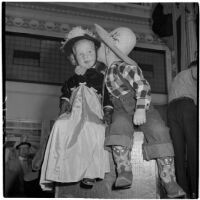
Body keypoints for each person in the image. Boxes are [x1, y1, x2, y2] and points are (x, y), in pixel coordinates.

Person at [94, 24, 185, 198]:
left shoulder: (123, 67)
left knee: (159, 130)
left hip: (142, 106)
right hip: (120, 108)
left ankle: (169, 181)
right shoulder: (106, 71)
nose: (98, 46)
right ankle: (124, 171)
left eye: (101, 44)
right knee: (119, 125)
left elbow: (142, 86)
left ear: (108, 49)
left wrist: (141, 109)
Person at [39, 27, 111, 191]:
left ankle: (90, 173)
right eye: (81, 54)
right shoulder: (71, 79)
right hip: (74, 113)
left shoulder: (100, 77)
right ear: (74, 58)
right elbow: (65, 93)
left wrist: (107, 111)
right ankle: (56, 171)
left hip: (93, 112)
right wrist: (64, 105)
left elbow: (107, 96)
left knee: (95, 130)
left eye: (90, 52)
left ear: (95, 53)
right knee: (60, 127)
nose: (86, 57)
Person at [167, 61, 198, 198]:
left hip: (171, 110)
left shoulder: (178, 77)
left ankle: (183, 191)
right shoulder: (191, 72)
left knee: (178, 153)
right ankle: (196, 190)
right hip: (186, 106)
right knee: (193, 149)